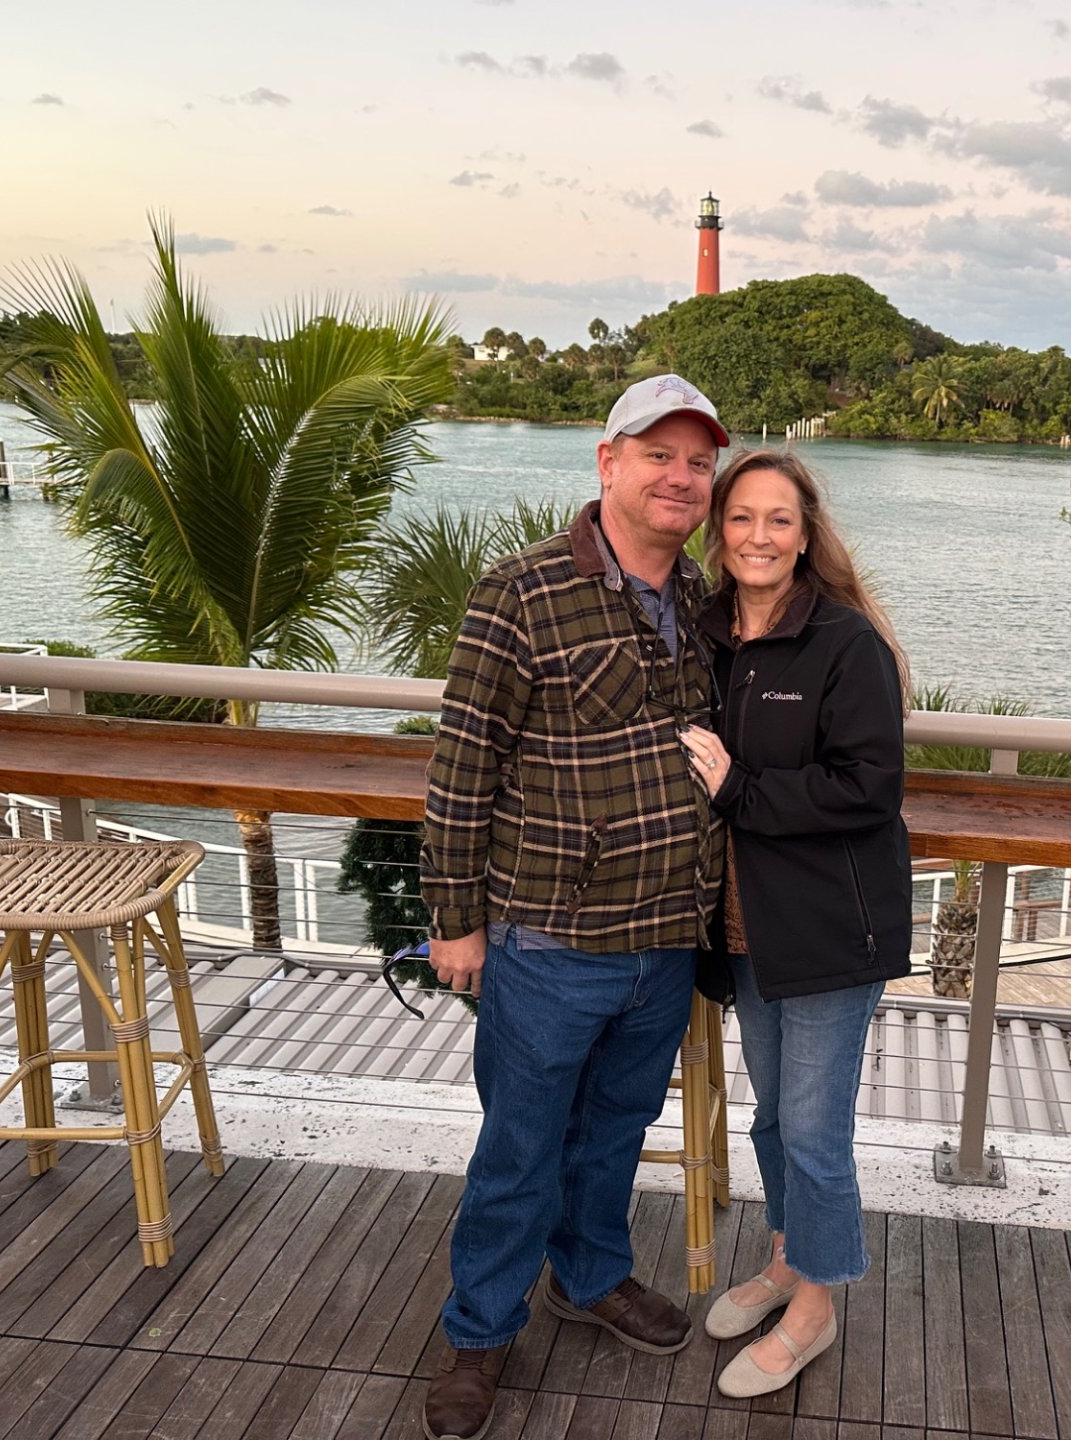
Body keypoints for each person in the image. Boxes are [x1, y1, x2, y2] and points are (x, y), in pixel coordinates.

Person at [419, 374, 731, 1440]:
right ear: (608, 462)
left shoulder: (701, 597)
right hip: (549, 938)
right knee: (520, 1145)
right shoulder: (522, 591)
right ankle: (479, 1330)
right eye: (660, 455)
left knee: (613, 1132)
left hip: (664, 939)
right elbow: (463, 768)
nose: (681, 477)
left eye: (698, 461)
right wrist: (453, 920)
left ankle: (590, 1275)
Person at [676, 449, 913, 1398]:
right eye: (741, 519)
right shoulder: (706, 634)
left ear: (805, 535)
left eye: (779, 520)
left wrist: (741, 788)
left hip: (825, 929)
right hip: (742, 929)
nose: (759, 537)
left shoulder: (843, 643)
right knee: (774, 1117)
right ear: (717, 532)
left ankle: (815, 1310)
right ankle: (785, 1259)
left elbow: (870, 787)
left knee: (814, 1133)